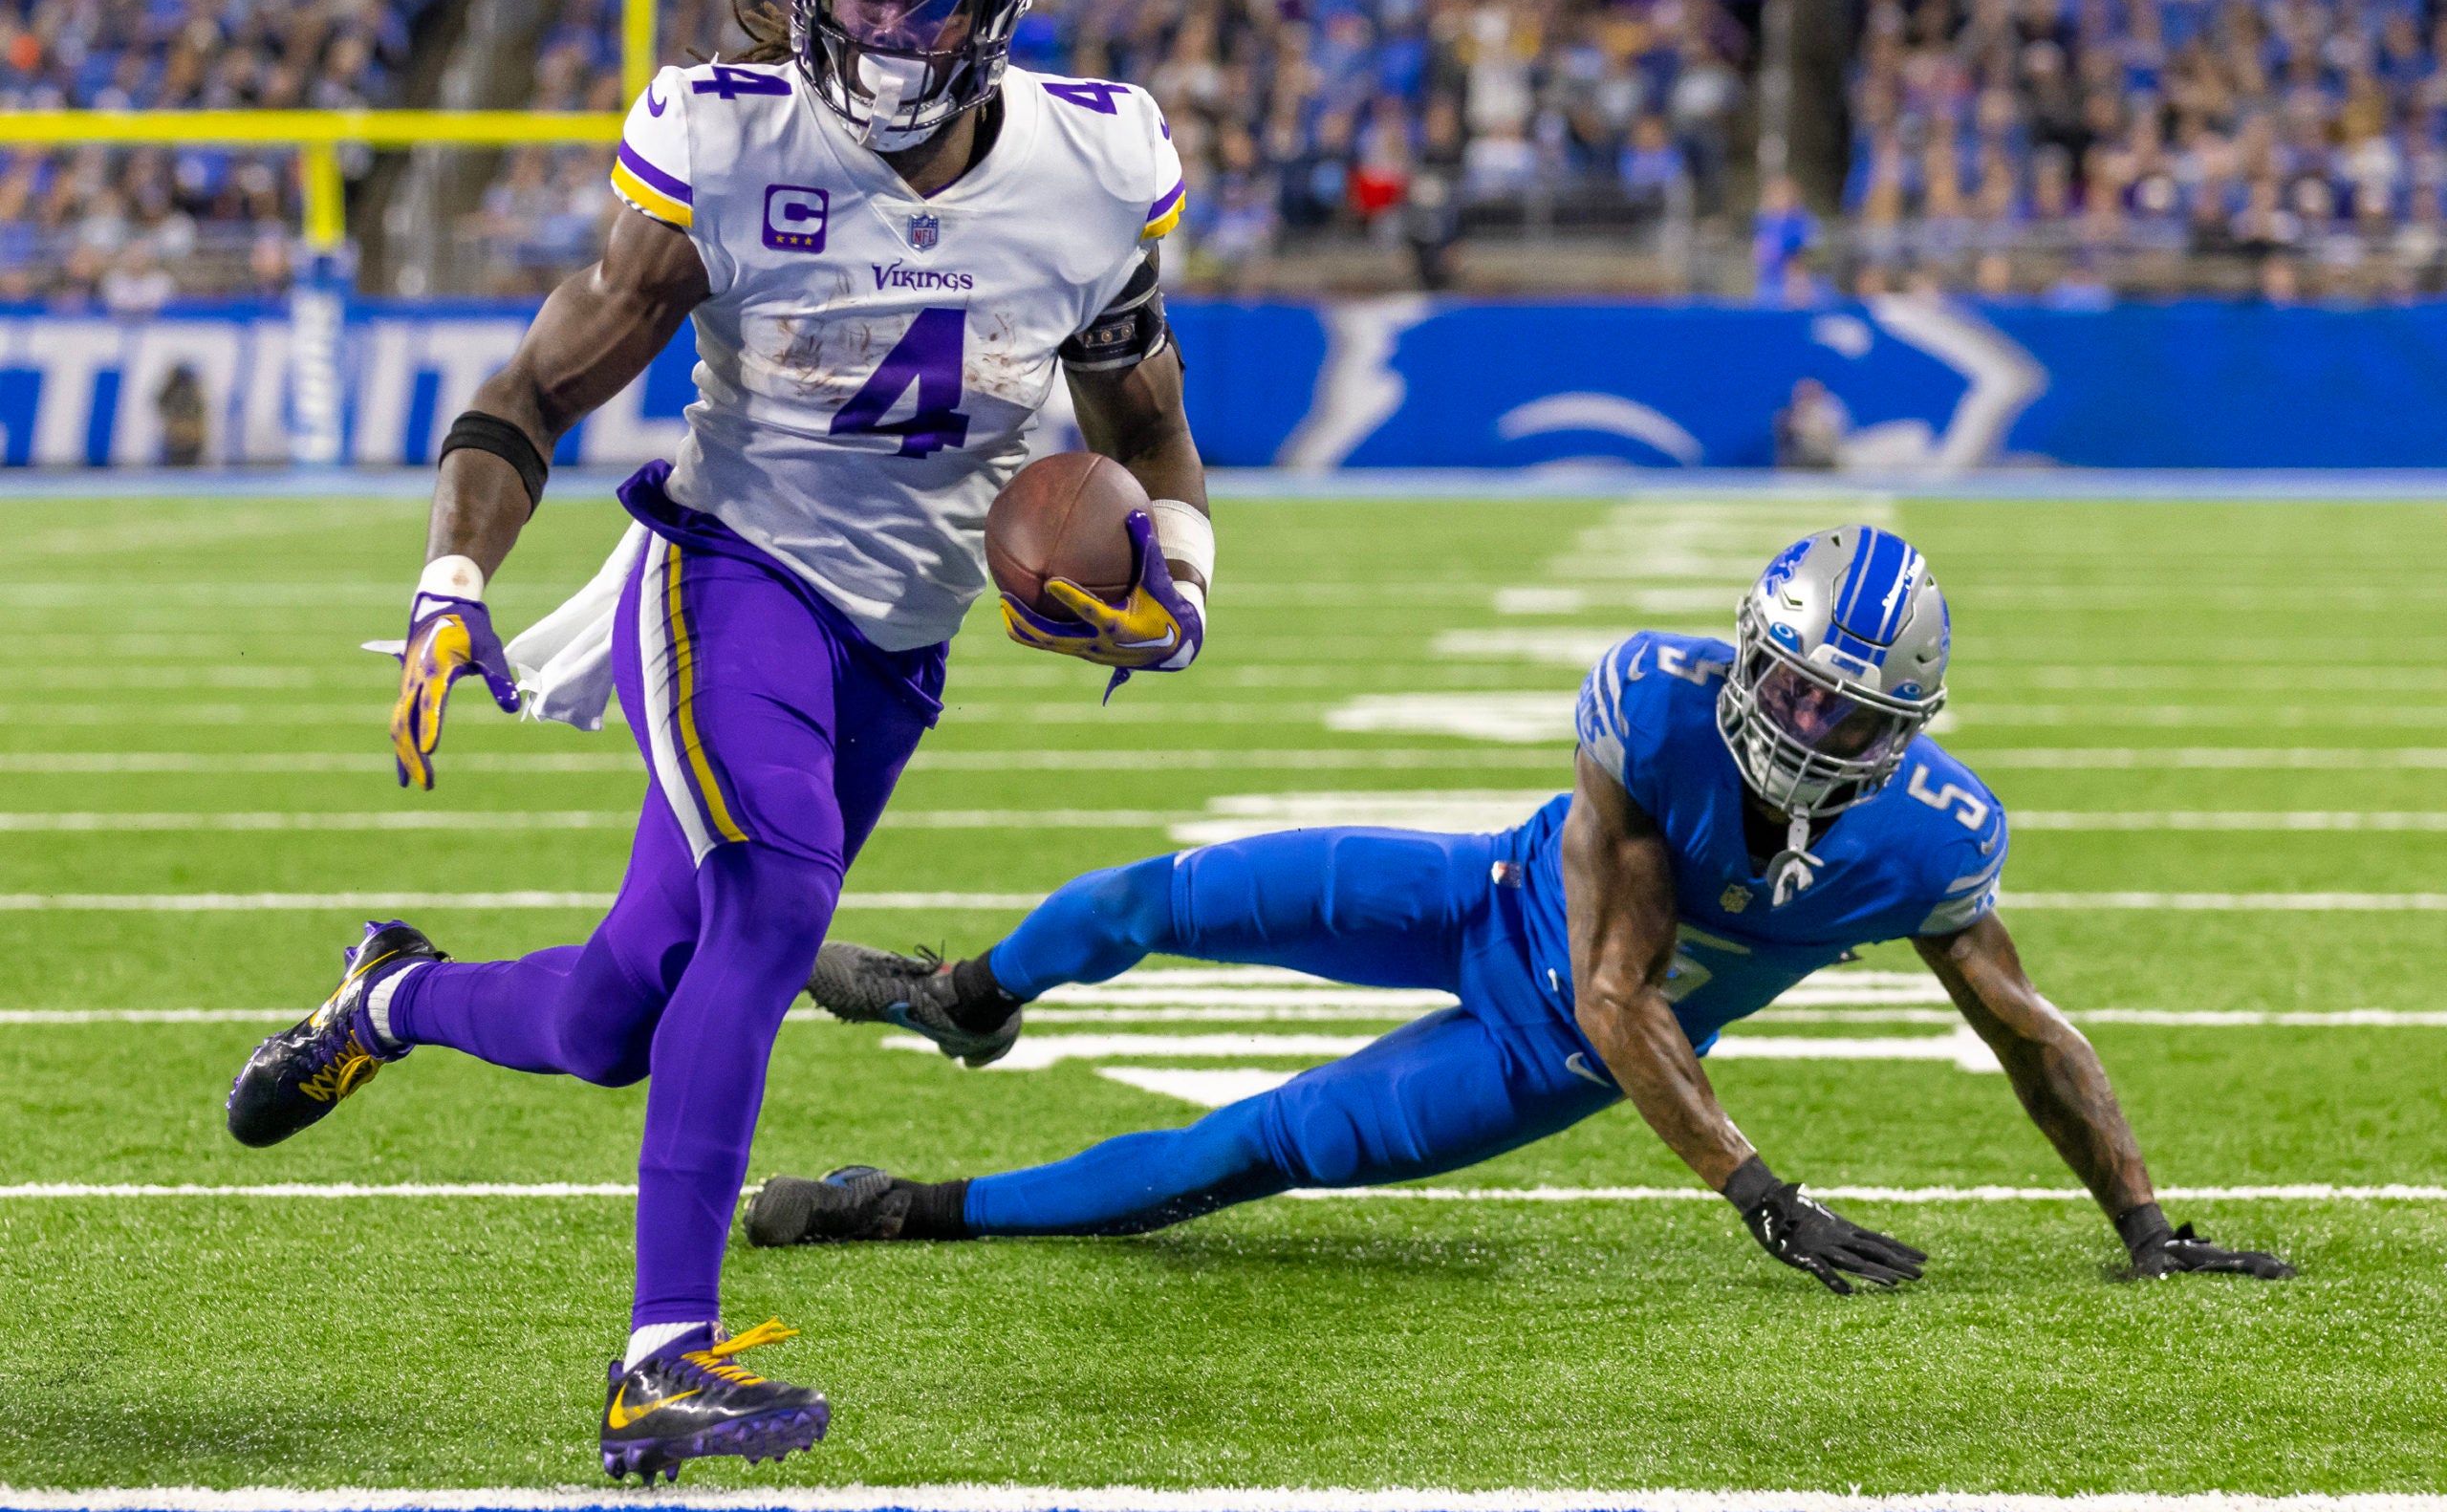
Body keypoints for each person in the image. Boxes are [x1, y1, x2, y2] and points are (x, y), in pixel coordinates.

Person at [222, 0, 1216, 1481]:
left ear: (1002, 5)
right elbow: (535, 390)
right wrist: (451, 588)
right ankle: (661, 1363)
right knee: (773, 885)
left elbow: (1150, 418)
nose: (879, 29)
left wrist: (1179, 586)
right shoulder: (729, 140)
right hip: (731, 567)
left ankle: (387, 1000)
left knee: (623, 1015)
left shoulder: (1096, 169)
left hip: (898, 638)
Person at [760, 527, 2293, 1294]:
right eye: (1793, 696)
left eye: (1850, 720)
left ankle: (897, 1206)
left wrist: (2142, 1223)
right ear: (1743, 655)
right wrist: (1762, 1192)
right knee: (1167, 894)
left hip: (1544, 1056)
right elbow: (1623, 973)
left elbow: (2026, 1033)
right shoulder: (1652, 701)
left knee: (1236, 1152)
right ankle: (970, 998)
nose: (1810, 736)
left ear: (1908, 729)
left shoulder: (1932, 842)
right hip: (1488, 897)